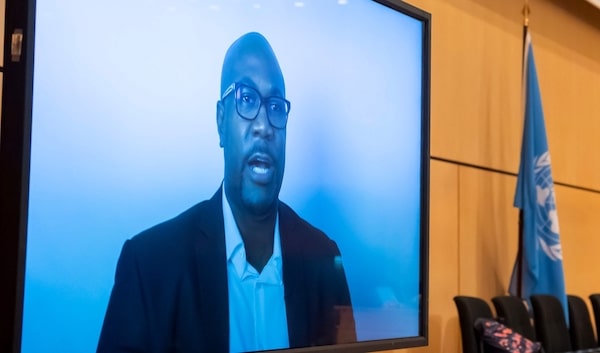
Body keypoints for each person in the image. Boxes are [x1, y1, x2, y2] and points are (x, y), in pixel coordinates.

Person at [97, 32, 356, 353]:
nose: (264, 125)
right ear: (221, 121)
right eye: (246, 99)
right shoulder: (149, 266)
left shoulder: (323, 258)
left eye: (275, 106)